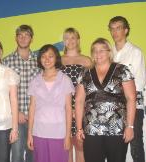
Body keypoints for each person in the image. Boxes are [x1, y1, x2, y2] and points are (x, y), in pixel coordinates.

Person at [75, 38, 136, 162]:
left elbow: (131, 98)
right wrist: (79, 128)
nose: (98, 54)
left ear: (109, 52)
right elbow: (79, 101)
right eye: (95, 51)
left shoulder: (122, 70)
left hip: (117, 128)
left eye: (101, 50)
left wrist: (130, 126)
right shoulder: (85, 73)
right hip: (91, 129)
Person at [108, 16, 146, 162]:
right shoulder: (108, 54)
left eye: (118, 28)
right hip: (113, 108)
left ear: (126, 30)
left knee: (136, 146)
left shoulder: (136, 52)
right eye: (112, 28)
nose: (115, 32)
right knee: (116, 148)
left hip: (133, 105)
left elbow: (140, 82)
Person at [27, 44, 74, 162]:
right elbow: (32, 108)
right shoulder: (35, 81)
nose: (47, 59)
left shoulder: (65, 80)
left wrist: (68, 136)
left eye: (50, 56)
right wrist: (29, 134)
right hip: (39, 132)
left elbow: (69, 109)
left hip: (59, 133)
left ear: (56, 58)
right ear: (39, 59)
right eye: (43, 56)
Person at [2, 24, 40, 162]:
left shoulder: (40, 61)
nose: (23, 38)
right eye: (20, 35)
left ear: (31, 38)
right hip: (15, 118)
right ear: (16, 38)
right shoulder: (6, 62)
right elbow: (3, 91)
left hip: (36, 117)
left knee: (33, 154)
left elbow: (43, 90)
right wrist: (16, 113)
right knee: (17, 154)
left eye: (27, 35)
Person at [61, 27, 92, 162]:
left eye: (73, 37)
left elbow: (92, 87)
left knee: (81, 146)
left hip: (82, 108)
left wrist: (81, 108)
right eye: (67, 38)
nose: (70, 40)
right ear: (64, 41)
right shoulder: (57, 60)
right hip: (62, 109)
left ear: (78, 40)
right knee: (66, 147)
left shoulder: (87, 61)